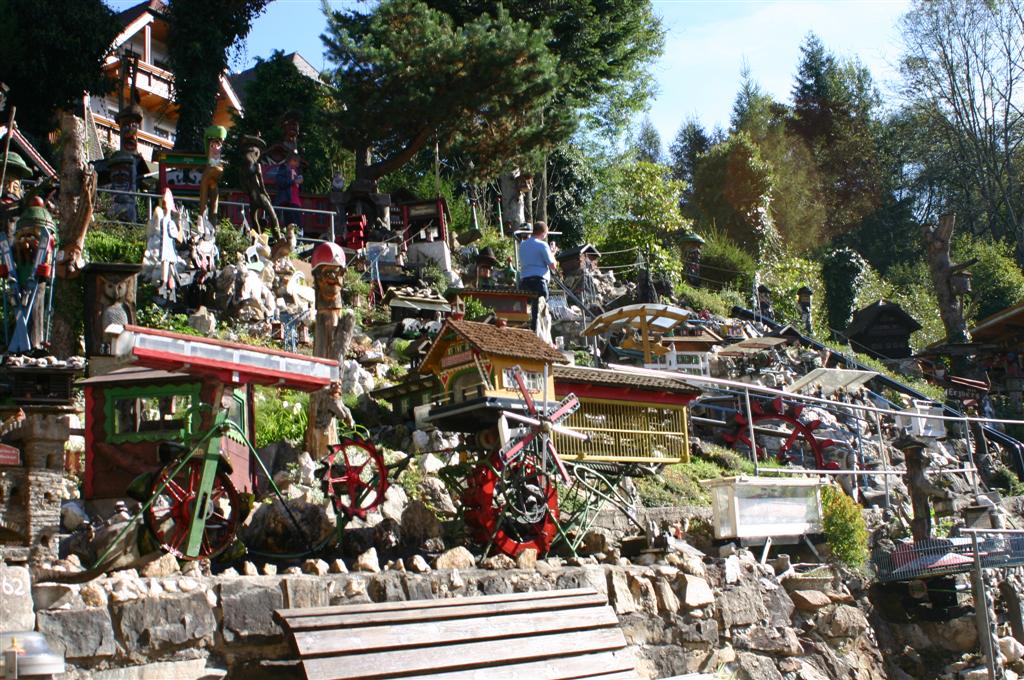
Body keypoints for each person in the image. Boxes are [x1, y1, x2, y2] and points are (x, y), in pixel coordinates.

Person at [517, 221, 556, 331]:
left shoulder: (523, 245)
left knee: (531, 313)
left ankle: (532, 333)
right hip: (538, 282)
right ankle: (538, 336)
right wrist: (552, 253)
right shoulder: (543, 245)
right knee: (539, 313)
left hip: (525, 282)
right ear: (543, 233)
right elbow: (553, 265)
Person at [275, 152, 303, 230]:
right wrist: (293, 181)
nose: (298, 164)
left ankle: (298, 239)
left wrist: (300, 182)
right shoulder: (284, 168)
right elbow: (280, 181)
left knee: (298, 224)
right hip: (288, 200)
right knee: (292, 224)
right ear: (291, 160)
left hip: (296, 201)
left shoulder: (296, 171)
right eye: (296, 162)